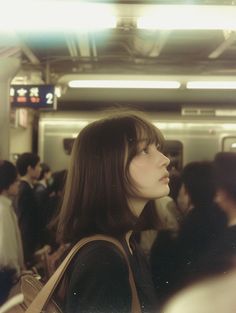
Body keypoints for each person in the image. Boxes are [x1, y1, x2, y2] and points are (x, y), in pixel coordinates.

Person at [56, 110, 170, 313]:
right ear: (108, 167)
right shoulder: (103, 260)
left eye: (158, 148)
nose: (164, 159)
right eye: (144, 150)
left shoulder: (125, 244)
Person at [0, 160, 25, 304]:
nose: (18, 183)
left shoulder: (5, 206)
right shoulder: (3, 210)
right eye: (15, 180)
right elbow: (7, 251)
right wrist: (18, 271)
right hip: (6, 278)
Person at [16, 153, 42, 267]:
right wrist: (28, 253)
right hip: (29, 248)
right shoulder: (26, 191)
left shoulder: (24, 188)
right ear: (29, 169)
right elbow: (25, 222)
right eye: (38, 166)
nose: (40, 169)